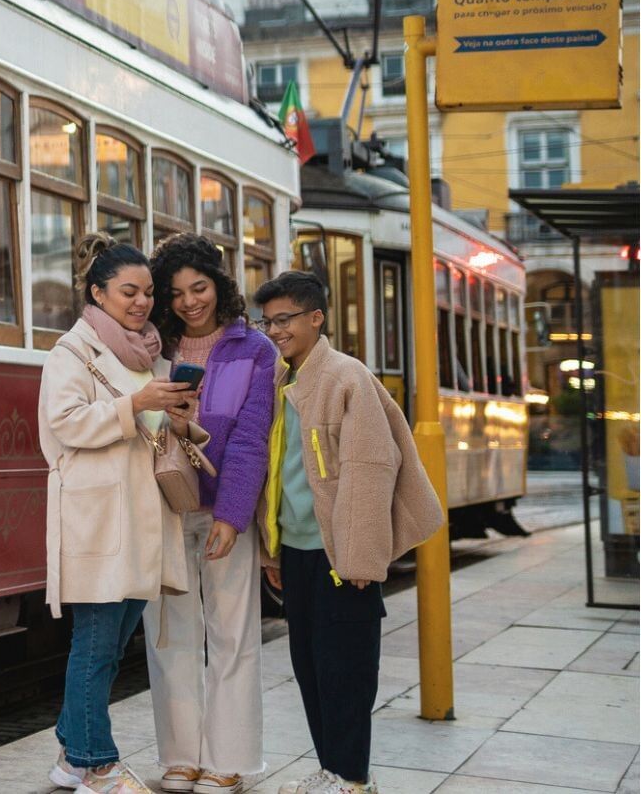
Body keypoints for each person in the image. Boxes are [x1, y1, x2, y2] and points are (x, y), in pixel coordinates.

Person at [254, 271, 443, 794]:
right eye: (268, 321)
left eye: (285, 319)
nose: (275, 330)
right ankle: (333, 769)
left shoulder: (345, 377)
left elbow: (369, 467)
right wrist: (272, 550)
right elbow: (277, 469)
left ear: (317, 317)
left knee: (346, 670)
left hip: (341, 554)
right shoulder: (282, 378)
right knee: (310, 668)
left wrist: (361, 558)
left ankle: (353, 778)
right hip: (298, 550)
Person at [41, 234, 195, 794]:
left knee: (112, 644)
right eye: (128, 292)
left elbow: (150, 433)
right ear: (98, 293)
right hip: (100, 518)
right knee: (97, 643)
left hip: (141, 518)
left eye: (148, 292)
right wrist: (135, 405)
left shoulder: (149, 355)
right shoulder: (71, 353)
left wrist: (177, 416)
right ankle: (96, 764)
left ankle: (68, 752)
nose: (141, 302)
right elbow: (66, 423)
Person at [144, 236, 281, 794]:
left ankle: (230, 761)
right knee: (169, 634)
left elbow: (251, 438)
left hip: (225, 509)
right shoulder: (153, 345)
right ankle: (179, 758)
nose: (188, 302)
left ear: (218, 285)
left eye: (198, 288)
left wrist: (232, 514)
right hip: (164, 506)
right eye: (175, 293)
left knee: (232, 634)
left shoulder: (254, 350)